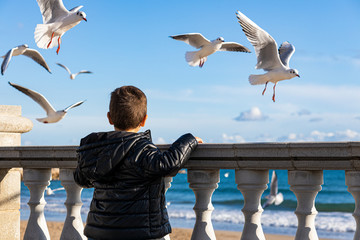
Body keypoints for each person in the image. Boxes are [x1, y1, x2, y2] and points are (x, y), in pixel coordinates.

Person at [74, 85, 202, 240]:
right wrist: (189, 140)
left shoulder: (95, 149)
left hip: (100, 231)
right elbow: (169, 163)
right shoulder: (141, 148)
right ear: (144, 119)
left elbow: (81, 179)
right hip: (140, 232)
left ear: (109, 117)